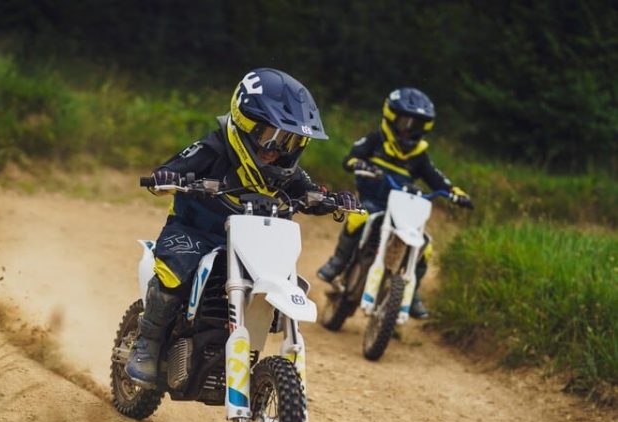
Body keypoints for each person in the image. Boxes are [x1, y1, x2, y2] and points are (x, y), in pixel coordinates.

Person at [125, 67, 356, 387]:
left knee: (285, 277)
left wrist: (333, 201)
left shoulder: (288, 172)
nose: (279, 151)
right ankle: (146, 345)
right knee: (175, 272)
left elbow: (310, 193)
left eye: (291, 142)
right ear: (245, 125)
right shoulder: (212, 149)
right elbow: (172, 168)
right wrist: (168, 177)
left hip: (254, 243)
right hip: (196, 232)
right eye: (272, 138)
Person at [316, 87, 472, 319]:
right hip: (373, 201)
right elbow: (350, 158)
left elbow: (436, 179)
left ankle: (413, 291)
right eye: (403, 122)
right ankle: (338, 262)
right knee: (358, 216)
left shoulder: (419, 155)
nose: (408, 129)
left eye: (415, 125)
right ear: (390, 117)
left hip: (401, 211)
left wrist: (455, 192)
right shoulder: (374, 139)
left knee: (425, 246)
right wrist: (360, 164)